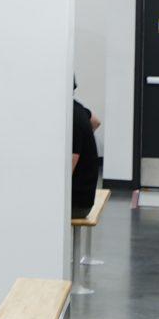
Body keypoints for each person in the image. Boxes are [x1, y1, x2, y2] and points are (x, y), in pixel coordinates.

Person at [70, 83, 105, 218]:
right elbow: (96, 122)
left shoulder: (71, 117)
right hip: (84, 199)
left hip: (77, 206)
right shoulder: (77, 108)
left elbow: (67, 172)